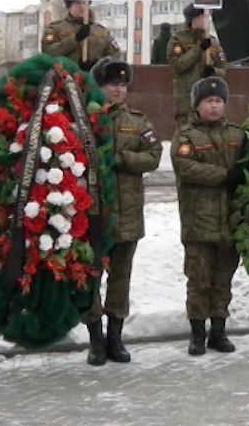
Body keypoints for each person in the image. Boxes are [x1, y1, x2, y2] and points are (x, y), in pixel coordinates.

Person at [84, 60, 162, 365]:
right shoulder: (86, 119)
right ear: (100, 87)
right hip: (93, 216)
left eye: (123, 85)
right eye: (112, 85)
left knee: (120, 278)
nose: (118, 90)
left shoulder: (138, 121)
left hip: (127, 213)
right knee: (90, 278)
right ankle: (95, 340)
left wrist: (121, 158)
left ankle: (115, 338)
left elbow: (153, 156)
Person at [172, 76, 243, 356]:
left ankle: (218, 331)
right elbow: (185, 167)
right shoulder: (186, 135)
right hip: (199, 221)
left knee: (223, 279)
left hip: (229, 222)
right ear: (197, 105)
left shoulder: (238, 135)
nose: (214, 106)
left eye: (218, 101)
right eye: (208, 101)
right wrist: (224, 176)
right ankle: (197, 334)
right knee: (199, 279)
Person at [169, 6, 228, 128]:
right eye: (203, 17)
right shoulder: (178, 39)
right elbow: (177, 66)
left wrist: (213, 72)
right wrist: (199, 49)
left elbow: (224, 68)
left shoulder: (213, 42)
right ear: (193, 19)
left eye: (207, 16)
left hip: (208, 97)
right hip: (187, 100)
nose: (206, 20)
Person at [42, 0, 120, 72]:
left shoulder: (102, 31)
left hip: (94, 80)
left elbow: (115, 55)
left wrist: (98, 64)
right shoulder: (55, 29)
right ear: (69, 6)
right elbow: (48, 53)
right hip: (65, 79)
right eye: (77, 3)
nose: (82, 6)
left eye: (85, 3)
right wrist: (74, 39)